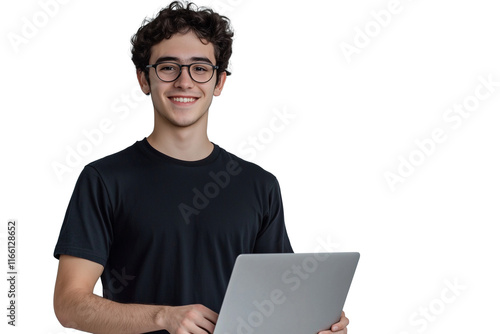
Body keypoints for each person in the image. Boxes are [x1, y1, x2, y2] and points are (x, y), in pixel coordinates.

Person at [53, 2, 350, 333]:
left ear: (219, 82)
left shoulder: (258, 185)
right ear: (143, 78)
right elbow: (69, 304)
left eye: (200, 68)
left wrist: (318, 322)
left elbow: (279, 303)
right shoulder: (105, 180)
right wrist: (163, 317)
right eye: (168, 67)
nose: (184, 82)